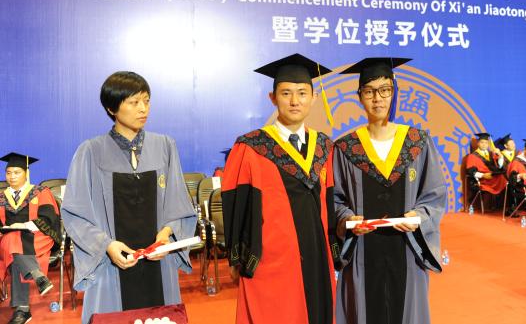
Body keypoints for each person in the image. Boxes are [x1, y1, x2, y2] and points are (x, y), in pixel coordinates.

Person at [61, 71, 196, 324]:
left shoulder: (165, 146)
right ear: (112, 108)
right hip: (110, 266)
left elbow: (178, 202)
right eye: (134, 102)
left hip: (158, 264)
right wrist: (106, 245)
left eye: (146, 100)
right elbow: (75, 213)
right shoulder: (91, 152)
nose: (143, 108)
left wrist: (167, 234)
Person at [221, 53, 338, 324]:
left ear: (313, 98)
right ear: (273, 98)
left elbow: (331, 202)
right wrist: (237, 257)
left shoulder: (324, 147)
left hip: (317, 256)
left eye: (302, 93)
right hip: (271, 260)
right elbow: (236, 204)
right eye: (286, 93)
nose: (295, 101)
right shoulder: (251, 147)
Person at [332, 57, 446, 324]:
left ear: (394, 93)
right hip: (362, 252)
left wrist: (419, 217)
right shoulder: (346, 148)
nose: (377, 99)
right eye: (369, 91)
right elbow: (335, 199)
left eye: (385, 90)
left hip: (406, 249)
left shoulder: (417, 142)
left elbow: (434, 194)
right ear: (359, 96)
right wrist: (347, 219)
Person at [0, 153, 60, 324]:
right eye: (8, 173)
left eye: (16, 172)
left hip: (38, 238)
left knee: (13, 246)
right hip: (10, 241)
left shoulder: (40, 192)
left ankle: (22, 310)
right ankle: (38, 275)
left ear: (26, 173)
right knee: (13, 242)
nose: (12, 176)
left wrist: (25, 225)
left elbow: (49, 218)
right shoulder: (2, 197)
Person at [464, 132, 507, 198]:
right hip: (484, 180)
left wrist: (500, 156)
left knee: (503, 177)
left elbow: (499, 166)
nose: (484, 145)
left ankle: (501, 203)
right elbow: (471, 171)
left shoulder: (491, 154)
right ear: (478, 143)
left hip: (493, 177)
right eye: (482, 142)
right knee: (501, 179)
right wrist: (483, 175)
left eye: (486, 143)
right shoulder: (472, 156)